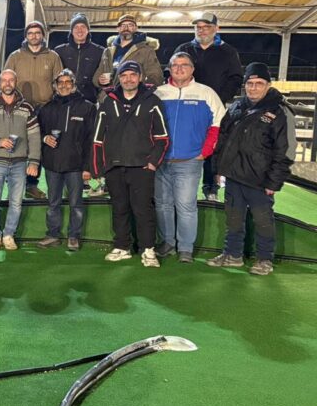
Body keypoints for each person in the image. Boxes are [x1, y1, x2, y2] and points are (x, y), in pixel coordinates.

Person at [209, 63, 294, 276]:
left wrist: (273, 182)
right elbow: (223, 141)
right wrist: (218, 169)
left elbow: (285, 151)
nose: (253, 88)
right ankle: (232, 255)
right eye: (250, 83)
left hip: (260, 180)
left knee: (263, 221)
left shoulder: (280, 111)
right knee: (233, 219)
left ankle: (265, 259)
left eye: (259, 83)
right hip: (234, 176)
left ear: (268, 85)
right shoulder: (236, 107)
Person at [90, 60, 169, 267]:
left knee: (143, 210)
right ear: (119, 78)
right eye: (124, 76)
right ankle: (122, 247)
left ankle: (148, 249)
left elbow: (162, 137)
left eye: (133, 75)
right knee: (119, 208)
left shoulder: (153, 101)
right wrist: (99, 167)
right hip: (115, 167)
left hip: (142, 167)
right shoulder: (108, 101)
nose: (128, 79)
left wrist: (153, 163)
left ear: (140, 77)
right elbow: (97, 138)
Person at [154, 52, 225, 262]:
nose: (179, 68)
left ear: (192, 69)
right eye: (175, 65)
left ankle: (185, 248)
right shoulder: (159, 93)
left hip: (190, 161)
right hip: (161, 160)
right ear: (169, 69)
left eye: (184, 65)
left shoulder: (206, 93)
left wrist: (205, 151)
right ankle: (167, 243)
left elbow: (219, 124)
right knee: (163, 205)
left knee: (185, 206)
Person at [174, 12, 244, 200]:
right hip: (187, 109)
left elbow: (236, 78)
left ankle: (210, 189)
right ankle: (179, 187)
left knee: (212, 147)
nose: (202, 30)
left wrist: (218, 99)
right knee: (184, 144)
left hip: (214, 109)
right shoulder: (184, 49)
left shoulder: (228, 52)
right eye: (198, 27)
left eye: (206, 27)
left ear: (216, 28)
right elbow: (170, 72)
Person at [0, 69, 41, 251]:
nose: (8, 83)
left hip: (19, 163)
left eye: (11, 80)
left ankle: (9, 234)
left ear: (15, 82)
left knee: (16, 203)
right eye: (4, 80)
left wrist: (34, 161)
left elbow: (34, 135)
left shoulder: (27, 108)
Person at [35, 69, 94, 251]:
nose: (64, 85)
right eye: (60, 82)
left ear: (74, 85)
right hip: (52, 164)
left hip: (76, 165)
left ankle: (74, 236)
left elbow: (91, 139)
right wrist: (45, 138)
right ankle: (52, 235)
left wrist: (87, 167)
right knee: (53, 203)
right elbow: (36, 132)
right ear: (55, 86)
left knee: (76, 204)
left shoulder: (87, 107)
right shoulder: (46, 108)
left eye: (68, 82)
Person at [4, 20, 62, 200]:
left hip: (44, 108)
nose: (34, 36)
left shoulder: (52, 56)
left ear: (43, 35)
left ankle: (32, 185)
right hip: (20, 108)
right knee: (17, 145)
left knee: (40, 146)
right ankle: (14, 183)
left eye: (37, 33)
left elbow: (59, 82)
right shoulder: (15, 56)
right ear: (26, 36)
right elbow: (6, 80)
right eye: (30, 33)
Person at [94, 14, 164, 93]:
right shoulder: (108, 51)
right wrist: (100, 80)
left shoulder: (146, 51)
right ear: (118, 29)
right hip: (109, 96)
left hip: (133, 97)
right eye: (123, 25)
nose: (126, 28)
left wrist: (141, 92)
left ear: (135, 28)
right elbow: (96, 78)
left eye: (130, 25)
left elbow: (156, 77)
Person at [54, 13, 104, 103]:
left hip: (89, 100)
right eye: (76, 27)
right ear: (71, 31)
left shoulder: (100, 51)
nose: (79, 30)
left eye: (83, 27)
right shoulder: (59, 50)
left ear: (88, 30)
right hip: (64, 100)